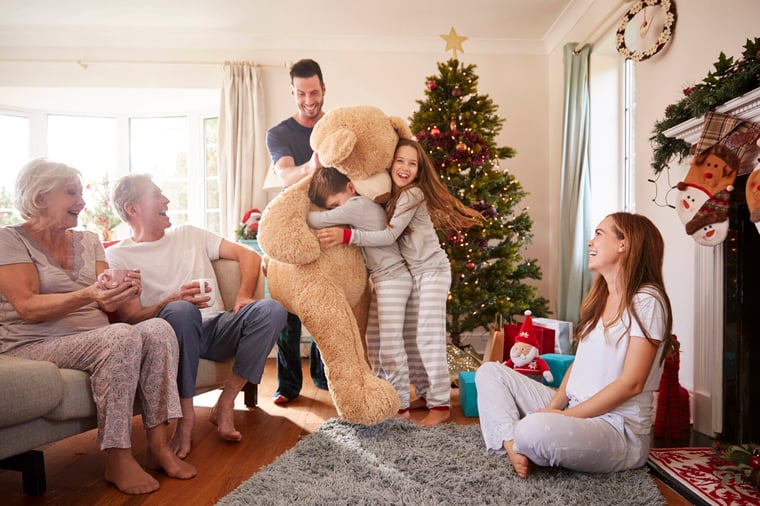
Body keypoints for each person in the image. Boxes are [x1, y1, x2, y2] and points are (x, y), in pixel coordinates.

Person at [0, 159, 196, 494]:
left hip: (91, 337)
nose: (82, 202)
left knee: (159, 329)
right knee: (120, 337)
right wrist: (91, 292)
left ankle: (158, 445)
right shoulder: (10, 240)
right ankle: (117, 456)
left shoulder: (89, 240)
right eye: (71, 193)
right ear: (40, 197)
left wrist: (123, 290)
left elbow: (105, 302)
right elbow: (28, 307)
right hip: (33, 343)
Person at [475, 212, 676, 478]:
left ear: (623, 244)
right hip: (576, 409)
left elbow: (632, 383)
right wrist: (552, 410)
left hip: (617, 429)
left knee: (532, 428)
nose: (590, 243)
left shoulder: (647, 300)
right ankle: (514, 446)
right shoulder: (600, 299)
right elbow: (578, 366)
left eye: (599, 234)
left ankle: (520, 439)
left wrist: (561, 419)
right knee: (489, 372)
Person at [106, 174, 286, 458]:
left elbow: (250, 257)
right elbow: (131, 318)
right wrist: (172, 300)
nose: (166, 199)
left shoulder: (190, 234)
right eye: (156, 195)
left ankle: (226, 403)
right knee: (182, 310)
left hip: (216, 327)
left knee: (272, 310)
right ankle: (185, 419)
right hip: (172, 334)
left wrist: (243, 295)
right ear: (132, 208)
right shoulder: (119, 256)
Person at [315, 139, 483, 426]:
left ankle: (441, 405)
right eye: (400, 161)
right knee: (412, 339)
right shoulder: (390, 197)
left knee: (428, 337)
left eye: (412, 163)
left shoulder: (412, 194)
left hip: (432, 271)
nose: (405, 167)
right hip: (414, 274)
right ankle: (426, 394)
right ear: (391, 164)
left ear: (419, 172)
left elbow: (388, 237)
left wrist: (347, 236)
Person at [306, 167, 414, 417]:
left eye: (335, 205)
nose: (335, 213)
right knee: (373, 342)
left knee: (389, 346)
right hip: (383, 281)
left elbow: (315, 220)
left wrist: (301, 196)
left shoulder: (358, 204)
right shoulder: (356, 205)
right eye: (332, 209)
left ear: (351, 188)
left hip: (394, 280)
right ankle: (383, 396)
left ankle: (402, 407)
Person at [265, 58, 329, 404]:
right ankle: (288, 386)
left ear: (324, 90)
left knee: (327, 305)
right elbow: (287, 176)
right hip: (292, 231)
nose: (309, 99)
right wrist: (313, 164)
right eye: (302, 93)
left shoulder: (335, 127)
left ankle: (323, 376)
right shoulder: (279, 134)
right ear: (293, 91)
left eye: (314, 92)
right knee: (287, 311)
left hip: (330, 229)